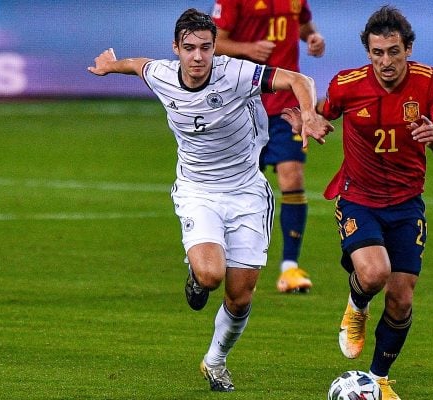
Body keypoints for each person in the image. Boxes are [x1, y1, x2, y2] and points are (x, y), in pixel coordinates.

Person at [88, 8, 330, 392]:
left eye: (205, 47)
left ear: (216, 48)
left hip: (247, 192)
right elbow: (138, 65)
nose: (198, 56)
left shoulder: (235, 73)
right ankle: (198, 279)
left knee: (240, 295)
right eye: (189, 48)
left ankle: (215, 360)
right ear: (176, 49)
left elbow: (299, 79)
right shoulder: (163, 75)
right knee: (210, 275)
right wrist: (111, 64)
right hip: (198, 191)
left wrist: (309, 114)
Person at [282, 6, 433, 399]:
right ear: (368, 52)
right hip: (358, 198)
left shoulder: (430, 82)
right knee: (375, 273)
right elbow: (318, 112)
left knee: (401, 297)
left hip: (407, 204)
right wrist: (306, 121)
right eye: (378, 53)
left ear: (407, 49)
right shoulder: (348, 84)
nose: (386, 62)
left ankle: (378, 379)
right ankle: (357, 304)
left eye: (394, 52)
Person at [211, 0, 326, 293]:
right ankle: (220, 257)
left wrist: (312, 37)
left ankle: (290, 268)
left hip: (286, 107)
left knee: (292, 175)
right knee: (238, 187)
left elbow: (302, 24)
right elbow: (214, 44)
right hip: (245, 107)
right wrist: (247, 50)